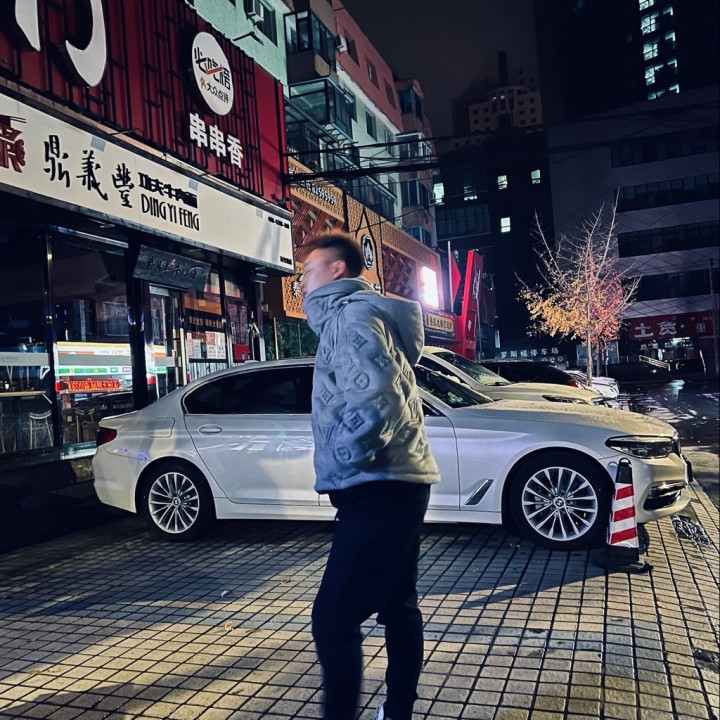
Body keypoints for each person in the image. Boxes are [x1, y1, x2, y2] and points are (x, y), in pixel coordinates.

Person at [301, 231, 440, 720]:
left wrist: (342, 460)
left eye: (309, 270)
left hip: (377, 485)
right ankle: (397, 711)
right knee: (398, 605)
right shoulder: (367, 315)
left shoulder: (351, 317)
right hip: (398, 481)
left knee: (333, 619)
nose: (302, 281)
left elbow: (377, 403)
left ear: (337, 269)